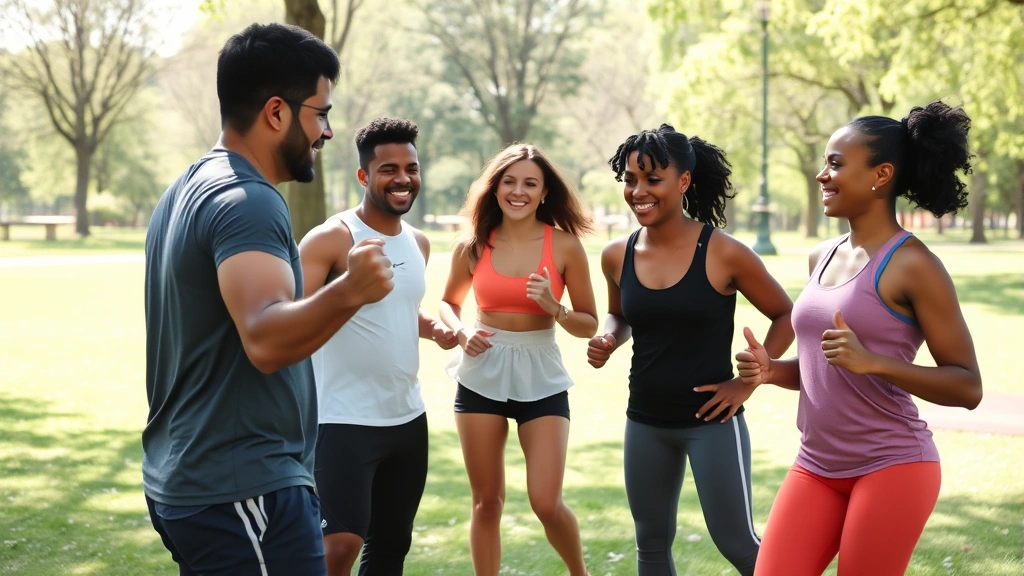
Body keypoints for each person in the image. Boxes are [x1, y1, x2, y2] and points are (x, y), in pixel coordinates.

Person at [143, 23, 395, 575]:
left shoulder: (186, 188)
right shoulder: (247, 200)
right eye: (320, 113)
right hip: (240, 486)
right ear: (277, 112)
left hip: (197, 479)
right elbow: (264, 338)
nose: (327, 132)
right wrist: (350, 291)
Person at [736, 101, 983, 576]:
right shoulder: (821, 256)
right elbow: (824, 369)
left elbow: (967, 386)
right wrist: (771, 372)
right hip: (816, 465)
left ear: (881, 174)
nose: (821, 176)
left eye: (835, 164)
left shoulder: (914, 265)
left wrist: (876, 362)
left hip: (893, 464)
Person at [586, 124, 794, 576]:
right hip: (644, 420)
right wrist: (608, 337)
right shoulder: (615, 255)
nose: (638, 191)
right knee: (651, 545)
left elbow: (786, 314)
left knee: (737, 542)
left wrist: (749, 382)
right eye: (629, 179)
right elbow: (620, 315)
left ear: (683, 182)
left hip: (712, 422)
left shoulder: (724, 252)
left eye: (652, 179)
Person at [298, 117, 459, 576]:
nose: (403, 178)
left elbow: (402, 310)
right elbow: (288, 318)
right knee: (339, 548)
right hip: (341, 418)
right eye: (389, 169)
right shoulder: (331, 239)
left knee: (390, 548)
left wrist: (433, 329)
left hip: (407, 418)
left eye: (411, 167)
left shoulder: (419, 243)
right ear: (364, 176)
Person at [438, 143, 597, 576]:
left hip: (541, 373)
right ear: (494, 188)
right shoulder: (472, 244)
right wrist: (462, 330)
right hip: (481, 373)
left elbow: (588, 323)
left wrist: (555, 307)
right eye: (509, 181)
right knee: (486, 501)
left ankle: (580, 573)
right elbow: (449, 303)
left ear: (545, 192)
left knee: (546, 501)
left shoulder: (564, 247)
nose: (518, 191)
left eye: (530, 183)